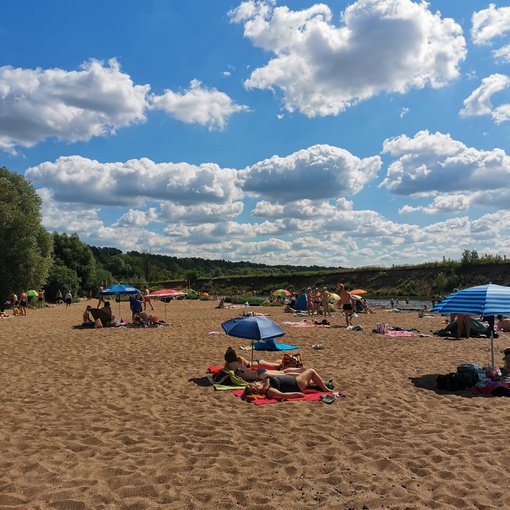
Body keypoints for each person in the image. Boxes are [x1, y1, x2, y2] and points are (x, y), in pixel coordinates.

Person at [241, 368, 333, 400]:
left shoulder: (262, 383)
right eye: (253, 384)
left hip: (294, 380)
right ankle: (326, 389)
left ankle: (326, 384)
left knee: (313, 382)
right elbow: (283, 395)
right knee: (311, 371)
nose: (253, 382)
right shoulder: (268, 390)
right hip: (296, 384)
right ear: (256, 389)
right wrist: (296, 394)